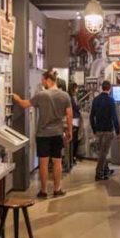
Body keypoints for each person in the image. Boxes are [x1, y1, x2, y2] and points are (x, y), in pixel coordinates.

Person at [13, 70, 73, 199]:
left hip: (43, 134)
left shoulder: (41, 95)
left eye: (43, 80)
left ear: (48, 80)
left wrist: (16, 98)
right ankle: (57, 189)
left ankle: (44, 190)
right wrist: (69, 131)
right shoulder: (65, 96)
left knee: (43, 163)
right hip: (57, 133)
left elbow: (24, 104)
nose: (42, 83)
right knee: (57, 162)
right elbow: (69, 115)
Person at [90, 80, 120, 181]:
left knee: (102, 152)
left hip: (98, 130)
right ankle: (99, 173)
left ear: (101, 88)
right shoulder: (111, 100)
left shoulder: (96, 100)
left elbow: (91, 116)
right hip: (108, 130)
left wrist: (94, 129)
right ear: (110, 88)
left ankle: (106, 169)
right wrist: (118, 131)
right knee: (104, 153)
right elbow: (114, 117)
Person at [69, 83, 82, 168]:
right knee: (74, 140)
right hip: (74, 120)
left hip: (75, 120)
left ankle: (73, 157)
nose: (77, 90)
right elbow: (77, 107)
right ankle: (72, 158)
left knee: (75, 140)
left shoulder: (73, 97)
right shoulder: (72, 98)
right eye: (76, 88)